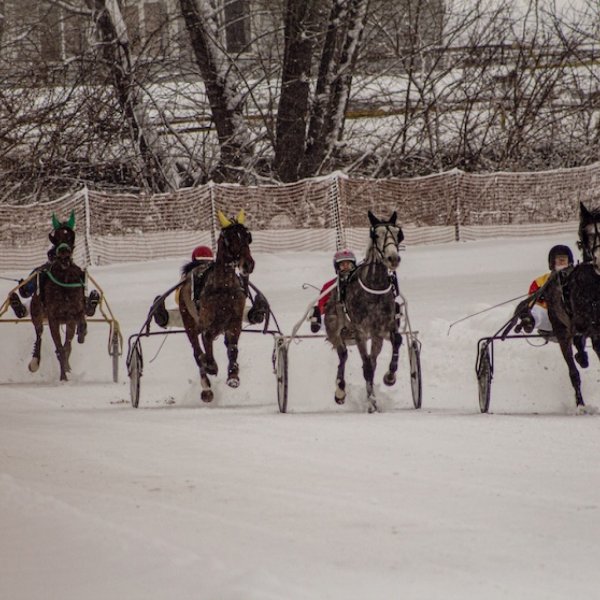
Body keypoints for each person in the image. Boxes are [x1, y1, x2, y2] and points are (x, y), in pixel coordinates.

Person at [152, 244, 269, 329]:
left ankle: (165, 318)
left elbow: (178, 299)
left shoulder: (188, 277)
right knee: (236, 313)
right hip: (222, 316)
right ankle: (253, 315)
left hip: (195, 317)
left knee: (182, 316)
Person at [8, 247, 100, 319]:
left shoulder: (41, 270)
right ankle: (88, 306)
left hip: (45, 306)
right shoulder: (74, 270)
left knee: (34, 302)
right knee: (79, 299)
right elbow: (82, 286)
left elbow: (26, 293)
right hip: (72, 305)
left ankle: (22, 310)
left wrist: (23, 286)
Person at [517, 244, 573, 335]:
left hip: (575, 321)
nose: (561, 264)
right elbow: (534, 306)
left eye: (563, 260)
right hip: (550, 321)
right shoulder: (539, 282)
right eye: (559, 260)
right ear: (552, 262)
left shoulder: (578, 280)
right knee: (534, 309)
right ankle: (530, 321)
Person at [309, 249, 357, 333]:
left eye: (348, 264)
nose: (346, 267)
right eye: (342, 265)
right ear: (337, 267)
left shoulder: (360, 284)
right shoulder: (329, 285)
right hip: (337, 320)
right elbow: (322, 306)